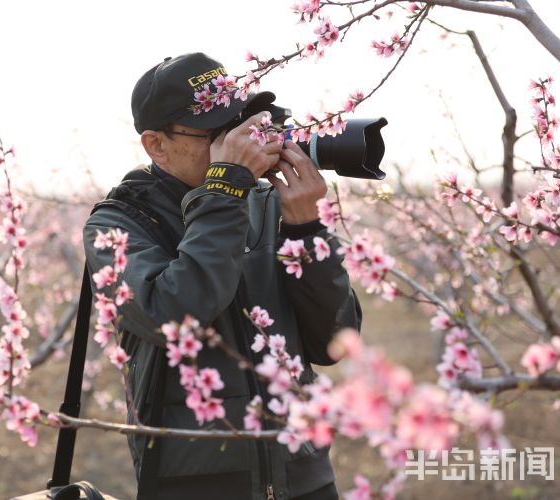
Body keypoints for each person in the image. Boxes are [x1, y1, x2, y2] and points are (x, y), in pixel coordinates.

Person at [83, 53, 362, 500]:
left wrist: (307, 229)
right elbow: (173, 316)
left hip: (305, 474)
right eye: (217, 133)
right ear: (156, 145)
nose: (239, 142)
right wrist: (224, 190)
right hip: (196, 484)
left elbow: (335, 339)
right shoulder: (117, 226)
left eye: (241, 123)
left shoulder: (269, 203)